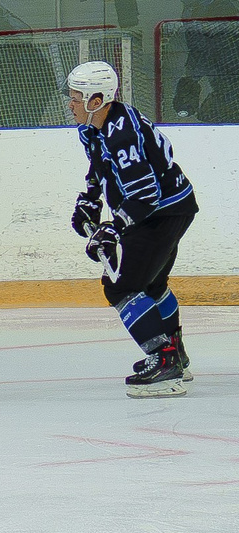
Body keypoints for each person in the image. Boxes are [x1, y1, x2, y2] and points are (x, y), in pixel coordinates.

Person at [68, 60, 197, 396]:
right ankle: (175, 355)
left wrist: (113, 228)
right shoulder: (94, 126)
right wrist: (90, 200)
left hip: (160, 211)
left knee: (123, 287)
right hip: (171, 207)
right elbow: (99, 165)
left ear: (96, 100)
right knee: (153, 285)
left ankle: (164, 359)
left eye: (76, 97)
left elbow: (146, 194)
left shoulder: (122, 132)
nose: (70, 104)